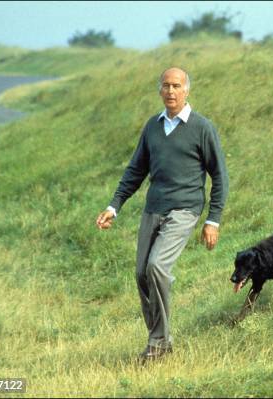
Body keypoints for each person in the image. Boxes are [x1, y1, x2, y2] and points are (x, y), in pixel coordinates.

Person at [95, 67, 229, 362]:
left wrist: (212, 219)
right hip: (153, 208)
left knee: (157, 266)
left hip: (185, 209)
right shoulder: (152, 128)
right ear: (160, 90)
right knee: (142, 274)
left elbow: (220, 176)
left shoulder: (202, 128)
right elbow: (135, 171)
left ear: (187, 91)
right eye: (166, 86)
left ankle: (158, 343)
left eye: (176, 86)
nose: (171, 91)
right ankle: (161, 342)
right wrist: (113, 206)